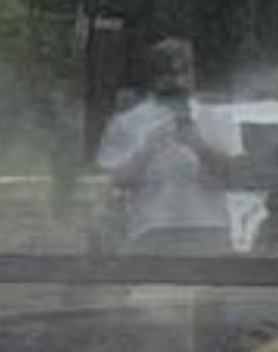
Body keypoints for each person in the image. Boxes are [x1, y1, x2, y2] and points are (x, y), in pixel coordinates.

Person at [95, 38, 234, 255]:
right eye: (167, 73)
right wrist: (147, 151)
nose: (177, 81)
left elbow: (234, 177)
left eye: (183, 72)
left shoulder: (217, 119)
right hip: (151, 231)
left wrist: (198, 145)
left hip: (210, 231)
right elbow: (117, 181)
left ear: (193, 75)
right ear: (154, 77)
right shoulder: (128, 122)